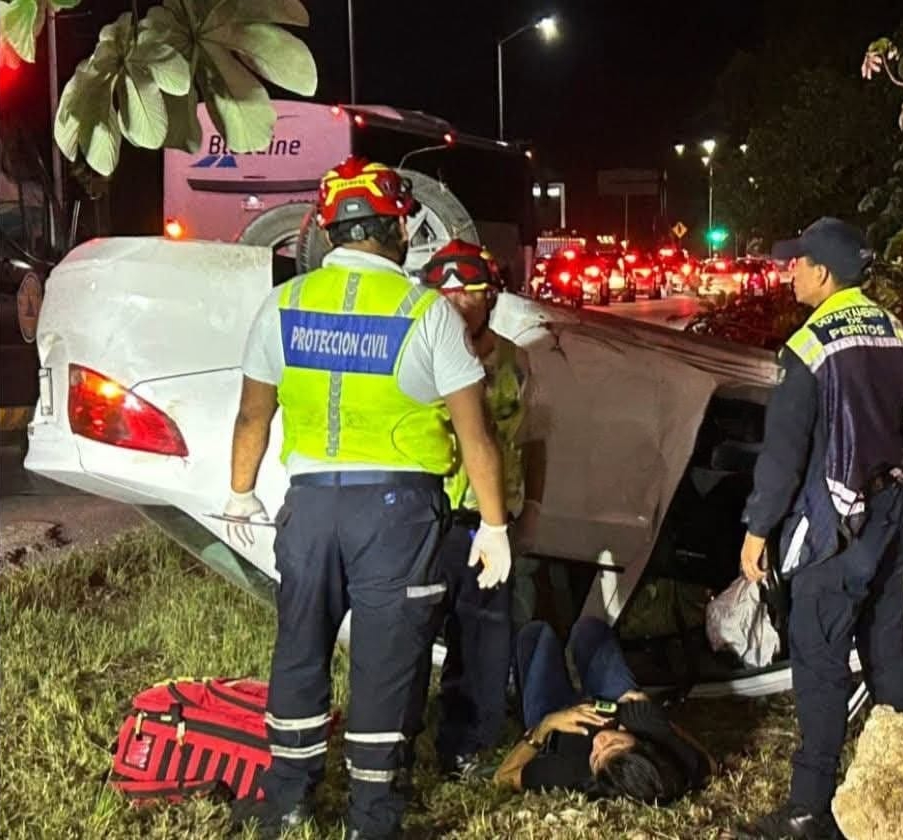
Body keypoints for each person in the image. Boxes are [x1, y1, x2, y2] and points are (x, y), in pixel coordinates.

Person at [220, 157, 511, 840]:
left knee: (299, 647)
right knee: (385, 661)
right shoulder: (424, 311)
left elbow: (252, 417)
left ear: (328, 230)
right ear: (395, 230)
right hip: (397, 513)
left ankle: (286, 803)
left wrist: (238, 496)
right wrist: (494, 525)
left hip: (310, 508)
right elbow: (477, 431)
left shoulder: (284, 304)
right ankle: (372, 821)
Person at [739, 218, 903, 839]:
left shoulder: (808, 348)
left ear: (825, 273)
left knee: (820, 663)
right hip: (888, 518)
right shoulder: (896, 331)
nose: (789, 273)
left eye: (797, 263)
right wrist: (896, 452)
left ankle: (810, 810)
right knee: (886, 651)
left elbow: (782, 456)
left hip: (831, 528)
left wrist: (758, 531)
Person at [402, 238, 549, 778]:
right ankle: (397, 740)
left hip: (491, 520)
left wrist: (529, 506)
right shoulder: (417, 357)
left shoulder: (516, 360)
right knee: (411, 634)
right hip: (430, 516)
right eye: (451, 295)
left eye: (475, 294)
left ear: (492, 298)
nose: (463, 304)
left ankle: (467, 746)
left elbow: (534, 438)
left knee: (485, 637)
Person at [494, 617, 714, 803]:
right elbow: (707, 763)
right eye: (615, 743)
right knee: (589, 628)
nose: (600, 742)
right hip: (611, 704)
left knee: (537, 633)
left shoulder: (570, 772)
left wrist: (543, 728)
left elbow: (502, 778)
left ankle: (522, 686)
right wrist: (666, 727)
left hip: (556, 720)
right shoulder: (649, 727)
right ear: (640, 743)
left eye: (597, 757)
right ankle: (585, 668)